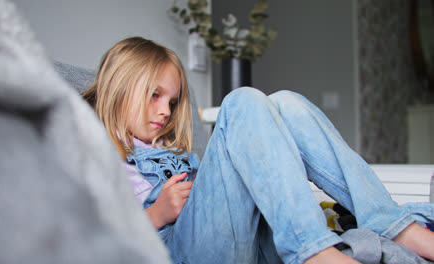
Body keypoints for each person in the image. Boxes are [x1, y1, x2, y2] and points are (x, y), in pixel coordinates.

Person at [82, 36, 434, 264]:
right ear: (119, 88)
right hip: (176, 250)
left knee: (287, 103)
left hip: (248, 241)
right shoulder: (91, 154)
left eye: (172, 102)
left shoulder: (169, 148)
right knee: (241, 101)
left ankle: (394, 225)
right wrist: (156, 214)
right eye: (154, 96)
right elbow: (90, 241)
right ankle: (313, 251)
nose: (165, 111)